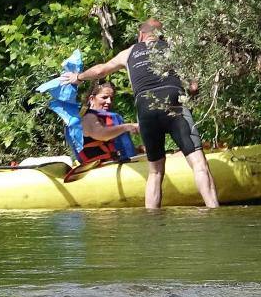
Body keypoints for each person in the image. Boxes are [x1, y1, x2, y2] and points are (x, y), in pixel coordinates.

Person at [61, 19, 219, 208]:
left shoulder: (128, 53)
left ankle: (151, 222)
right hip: (174, 103)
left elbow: (100, 70)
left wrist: (77, 77)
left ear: (140, 35)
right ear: (160, 35)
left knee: (155, 172)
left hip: (145, 108)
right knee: (199, 164)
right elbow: (193, 86)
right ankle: (213, 209)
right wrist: (193, 92)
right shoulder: (172, 48)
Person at [78, 81, 139, 165]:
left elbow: (111, 146)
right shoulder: (88, 117)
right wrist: (126, 127)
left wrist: (138, 149)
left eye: (111, 98)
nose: (109, 101)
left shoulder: (103, 117)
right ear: (91, 99)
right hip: (100, 167)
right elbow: (101, 135)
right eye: (104, 97)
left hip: (114, 162)